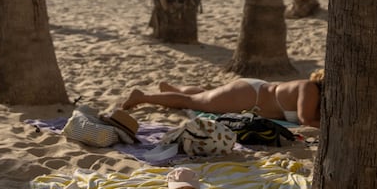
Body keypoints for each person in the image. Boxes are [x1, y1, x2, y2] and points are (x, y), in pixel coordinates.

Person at [122, 70, 323, 128]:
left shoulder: (319, 97)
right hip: (249, 95)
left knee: (203, 96)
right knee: (191, 102)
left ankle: (173, 89)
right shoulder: (309, 88)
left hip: (249, 96)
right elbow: (305, 120)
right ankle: (143, 96)